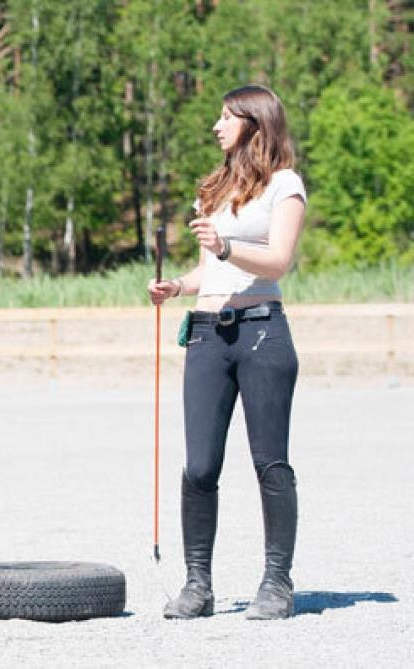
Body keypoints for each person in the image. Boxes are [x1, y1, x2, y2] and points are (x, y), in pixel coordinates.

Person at [147, 84, 307, 620]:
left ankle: (277, 583)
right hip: (208, 334)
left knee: (270, 463)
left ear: (254, 123)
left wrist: (227, 246)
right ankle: (198, 585)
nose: (216, 126)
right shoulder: (213, 189)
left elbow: (279, 261)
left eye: (226, 117)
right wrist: (178, 286)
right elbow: (210, 270)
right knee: (199, 467)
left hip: (263, 333)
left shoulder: (285, 185)